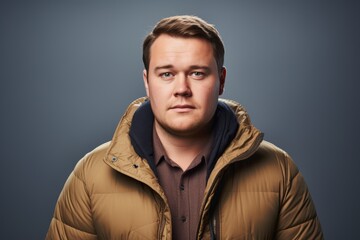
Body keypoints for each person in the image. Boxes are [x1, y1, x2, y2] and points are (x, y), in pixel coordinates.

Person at [46, 15, 323, 240]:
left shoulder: (279, 171)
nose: (182, 89)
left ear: (221, 80)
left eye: (197, 73)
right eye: (166, 74)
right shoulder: (91, 174)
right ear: (147, 82)